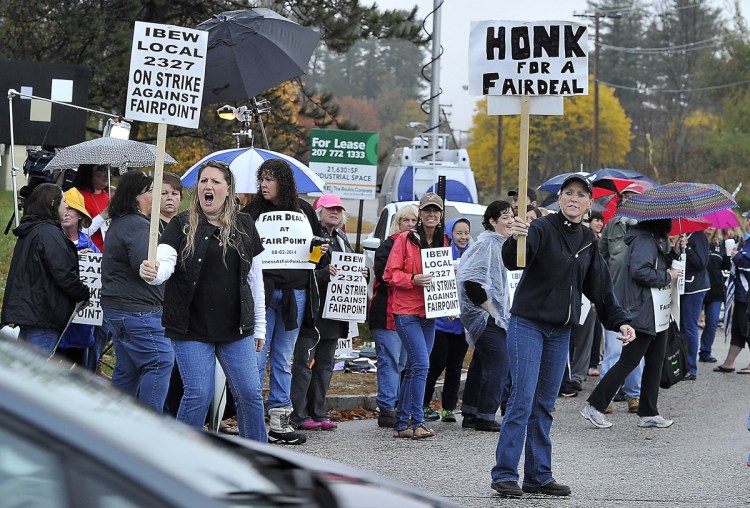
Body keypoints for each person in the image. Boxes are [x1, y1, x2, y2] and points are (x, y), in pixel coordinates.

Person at [490, 175, 634, 499]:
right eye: (568, 193)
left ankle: (538, 475)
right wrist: (515, 239)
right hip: (528, 323)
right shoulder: (540, 228)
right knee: (522, 399)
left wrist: (621, 321)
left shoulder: (587, 239)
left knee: (544, 404)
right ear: (559, 199)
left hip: (560, 331)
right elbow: (514, 262)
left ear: (589, 202)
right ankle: (504, 474)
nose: (573, 198)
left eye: (580, 195)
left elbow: (601, 288)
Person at [141, 160, 268, 442]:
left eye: (215, 181)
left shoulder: (245, 224)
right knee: (199, 392)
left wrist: (260, 326)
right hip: (191, 326)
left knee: (249, 393)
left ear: (228, 189)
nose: (207, 186)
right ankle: (184, 458)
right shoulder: (181, 224)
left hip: (235, 327)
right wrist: (151, 273)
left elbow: (256, 281)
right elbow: (163, 266)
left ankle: (260, 458)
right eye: (203, 181)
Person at [243, 159, 324, 445]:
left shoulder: (305, 212)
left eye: (269, 179)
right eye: (261, 179)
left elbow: (315, 256)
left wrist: (318, 251)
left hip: (296, 293)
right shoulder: (251, 211)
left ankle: (280, 421)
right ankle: (250, 421)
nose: (264, 185)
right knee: (255, 358)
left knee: (283, 359)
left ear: (284, 182)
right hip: (261, 292)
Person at [582, 218, 682, 430]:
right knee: (628, 362)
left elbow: (654, 266)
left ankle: (649, 412)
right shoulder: (644, 240)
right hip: (643, 310)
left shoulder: (651, 240)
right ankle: (595, 405)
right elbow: (640, 272)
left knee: (654, 363)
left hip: (656, 312)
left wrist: (674, 252)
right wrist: (667, 276)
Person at [101, 171, 174, 413]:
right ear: (137, 196)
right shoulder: (138, 226)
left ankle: (115, 427)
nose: (158, 196)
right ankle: (149, 431)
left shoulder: (121, 222)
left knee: (127, 369)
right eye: (153, 191)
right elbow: (146, 268)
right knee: (160, 360)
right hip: (138, 311)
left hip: (120, 309)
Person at [384, 192, 447, 439]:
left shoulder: (444, 241)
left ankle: (402, 423)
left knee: (414, 368)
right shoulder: (404, 240)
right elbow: (390, 274)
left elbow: (445, 278)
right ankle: (417, 420)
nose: (431, 214)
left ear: (441, 215)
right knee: (421, 364)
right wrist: (412, 279)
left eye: (436, 210)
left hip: (430, 313)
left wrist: (447, 306)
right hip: (406, 312)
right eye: (427, 210)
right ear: (420, 214)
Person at [291, 194, 355, 431]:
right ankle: (298, 414)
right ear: (319, 211)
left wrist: (361, 275)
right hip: (313, 313)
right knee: (304, 364)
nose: (335, 213)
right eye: (330, 209)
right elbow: (303, 275)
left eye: (339, 209)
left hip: (335, 313)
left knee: (325, 366)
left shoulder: (341, 238)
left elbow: (349, 268)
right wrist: (323, 273)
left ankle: (318, 412)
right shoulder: (311, 237)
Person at [1, 183, 90, 354]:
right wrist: (83, 293)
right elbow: (64, 273)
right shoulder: (48, 233)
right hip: (43, 316)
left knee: (27, 370)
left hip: (30, 313)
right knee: (36, 373)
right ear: (52, 203)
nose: (66, 206)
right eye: (64, 202)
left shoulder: (32, 230)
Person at [457, 201, 513, 432]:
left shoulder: (502, 244)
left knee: (481, 363)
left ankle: (471, 412)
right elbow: (471, 282)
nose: (510, 220)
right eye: (505, 217)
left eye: (512, 216)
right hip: (484, 316)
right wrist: (491, 309)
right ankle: (486, 415)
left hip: (492, 316)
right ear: (492, 221)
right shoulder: (487, 245)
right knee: (500, 362)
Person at [597, 182, 645, 413]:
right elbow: (600, 258)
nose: (628, 200)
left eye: (633, 197)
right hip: (614, 297)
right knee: (613, 350)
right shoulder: (612, 225)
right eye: (625, 196)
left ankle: (634, 395)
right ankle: (606, 396)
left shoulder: (649, 229)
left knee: (635, 349)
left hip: (639, 299)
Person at [369, 205, 416, 428]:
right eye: (405, 220)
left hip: (410, 312)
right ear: (398, 223)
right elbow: (385, 276)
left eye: (413, 221)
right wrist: (413, 278)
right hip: (386, 311)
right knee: (389, 360)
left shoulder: (421, 248)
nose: (409, 225)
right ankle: (387, 407)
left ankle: (398, 405)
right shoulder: (386, 247)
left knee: (403, 361)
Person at [423, 217, 471, 423]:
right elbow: (435, 285)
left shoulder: (473, 255)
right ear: (451, 234)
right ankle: (423, 404)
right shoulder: (441, 254)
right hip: (442, 322)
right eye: (459, 233)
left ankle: (449, 408)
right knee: (436, 364)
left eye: (466, 233)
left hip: (462, 324)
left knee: (455, 366)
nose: (463, 237)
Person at [57, 188, 99, 365]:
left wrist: (93, 259)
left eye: (71, 209)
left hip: (80, 329)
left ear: (80, 215)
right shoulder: (52, 240)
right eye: (64, 208)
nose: (66, 213)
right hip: (56, 324)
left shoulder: (91, 246)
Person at [715, 238, 750, 373]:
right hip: (741, 292)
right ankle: (729, 362)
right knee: (737, 328)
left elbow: (746, 263)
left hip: (747, 293)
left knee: (745, 327)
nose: (747, 222)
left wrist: (737, 256)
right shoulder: (747, 241)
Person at [681, 230, 710, 380]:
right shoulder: (682, 234)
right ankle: (681, 364)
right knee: (681, 327)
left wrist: (687, 247)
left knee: (689, 326)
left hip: (695, 288)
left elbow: (702, 263)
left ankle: (691, 368)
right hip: (681, 287)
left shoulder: (698, 236)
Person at [699, 227, 730, 363]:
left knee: (712, 322)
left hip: (715, 289)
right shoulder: (695, 241)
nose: (710, 227)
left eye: (713, 224)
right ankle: (687, 353)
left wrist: (729, 255)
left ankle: (705, 351)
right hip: (697, 288)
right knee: (691, 324)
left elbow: (726, 267)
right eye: (708, 224)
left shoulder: (720, 244)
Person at [72, 164, 111, 252]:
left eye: (108, 170)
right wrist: (102, 217)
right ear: (89, 173)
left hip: (109, 254)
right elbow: (80, 233)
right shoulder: (78, 196)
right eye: (101, 170)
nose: (107, 174)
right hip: (90, 254)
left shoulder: (107, 196)